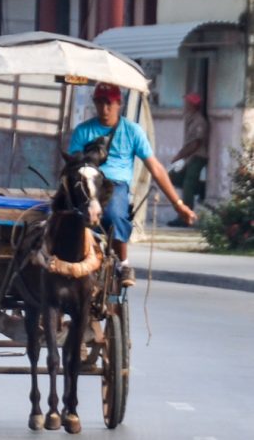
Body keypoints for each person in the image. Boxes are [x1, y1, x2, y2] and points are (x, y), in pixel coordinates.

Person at [68, 82, 194, 287]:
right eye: (100, 103)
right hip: (87, 181)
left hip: (114, 185)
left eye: (109, 103)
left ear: (120, 103)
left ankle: (123, 263)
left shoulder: (133, 131)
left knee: (115, 215)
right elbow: (74, 162)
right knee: (63, 216)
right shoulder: (83, 130)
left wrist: (178, 204)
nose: (104, 108)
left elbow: (156, 168)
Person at [168, 92, 210, 223]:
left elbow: (196, 144)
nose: (185, 105)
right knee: (173, 177)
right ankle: (202, 189)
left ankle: (185, 216)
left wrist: (180, 155)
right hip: (190, 157)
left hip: (198, 156)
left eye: (188, 103)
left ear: (193, 105)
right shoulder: (190, 119)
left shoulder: (199, 121)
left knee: (188, 183)